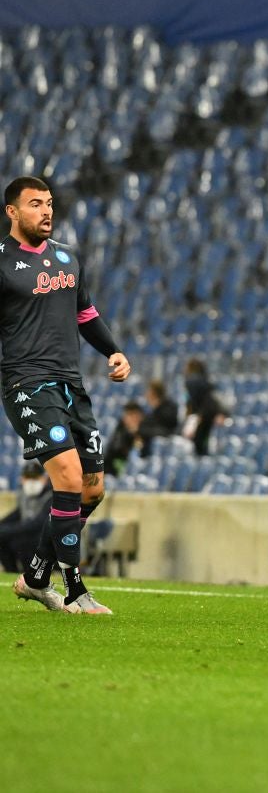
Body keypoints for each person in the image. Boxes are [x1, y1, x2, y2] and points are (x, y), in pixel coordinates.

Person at [5, 175, 132, 615]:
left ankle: (38, 576)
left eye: (50, 203)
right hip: (25, 384)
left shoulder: (65, 259)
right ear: (12, 212)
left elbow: (86, 313)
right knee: (68, 479)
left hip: (70, 384)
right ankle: (76, 591)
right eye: (35, 204)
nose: (46, 211)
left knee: (92, 491)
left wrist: (113, 350)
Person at [0, 461, 52, 572]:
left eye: (35, 478)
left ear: (44, 478)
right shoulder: (24, 494)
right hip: (26, 534)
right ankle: (11, 572)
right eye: (28, 477)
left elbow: (39, 523)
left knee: (21, 541)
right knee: (3, 538)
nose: (31, 482)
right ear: (22, 479)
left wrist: (7, 530)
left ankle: (32, 573)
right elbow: (19, 513)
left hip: (45, 538)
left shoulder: (51, 495)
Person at [183, 359, 227, 456]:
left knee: (200, 447)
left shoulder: (191, 382)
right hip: (208, 417)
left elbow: (195, 402)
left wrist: (197, 418)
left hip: (203, 417)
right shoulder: (207, 382)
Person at [105, 401, 147, 476]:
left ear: (138, 416)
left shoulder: (145, 430)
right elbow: (113, 449)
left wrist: (135, 433)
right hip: (112, 465)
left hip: (129, 468)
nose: (125, 418)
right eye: (125, 414)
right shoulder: (121, 428)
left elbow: (138, 451)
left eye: (129, 415)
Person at [141, 378, 179, 454]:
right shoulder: (152, 411)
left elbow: (167, 430)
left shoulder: (169, 408)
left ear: (153, 393)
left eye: (148, 391)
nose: (146, 394)